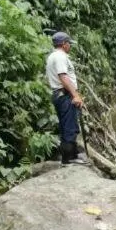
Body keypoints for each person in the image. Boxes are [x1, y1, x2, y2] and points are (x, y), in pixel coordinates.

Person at [45, 31, 87, 166]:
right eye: (69, 43)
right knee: (69, 126)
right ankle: (69, 158)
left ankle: (71, 155)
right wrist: (75, 95)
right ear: (63, 44)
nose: (70, 46)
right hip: (64, 95)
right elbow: (63, 77)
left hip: (60, 94)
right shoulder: (60, 56)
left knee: (66, 126)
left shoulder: (53, 56)